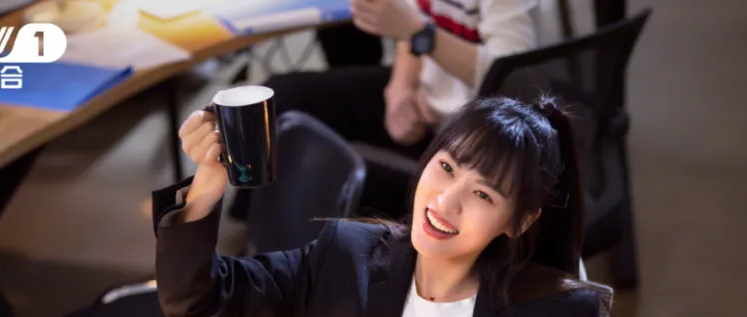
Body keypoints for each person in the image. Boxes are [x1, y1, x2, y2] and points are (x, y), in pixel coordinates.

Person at [153, 95, 636, 317]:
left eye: (483, 195)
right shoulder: (345, 260)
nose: (445, 201)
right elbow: (194, 298)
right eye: (446, 167)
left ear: (519, 222)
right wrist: (206, 188)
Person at [228, 0, 547, 222]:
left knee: (315, 174)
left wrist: (421, 34)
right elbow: (410, 24)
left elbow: (513, 76)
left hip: (474, 135)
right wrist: (400, 89)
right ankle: (245, 229)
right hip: (424, 101)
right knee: (281, 99)